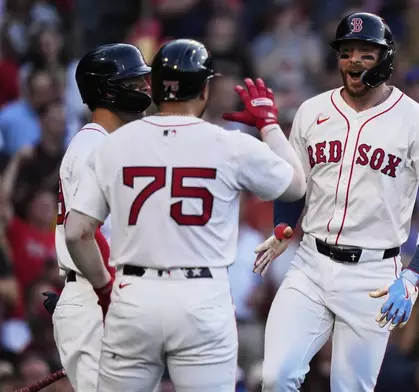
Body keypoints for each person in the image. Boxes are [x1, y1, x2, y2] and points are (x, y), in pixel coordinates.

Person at [237, 12, 419, 391]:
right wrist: (284, 226)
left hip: (373, 276)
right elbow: (295, 184)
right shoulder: (313, 111)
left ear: (386, 59)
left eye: (366, 53)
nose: (354, 61)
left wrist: (412, 277)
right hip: (310, 263)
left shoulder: (418, 122)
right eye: (346, 52)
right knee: (276, 377)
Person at [63, 38, 306, 392]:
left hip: (134, 295)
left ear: (156, 87)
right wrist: (269, 124)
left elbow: (76, 233)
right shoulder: (229, 144)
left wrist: (103, 289)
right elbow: (296, 185)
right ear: (204, 89)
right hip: (201, 296)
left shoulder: (114, 144)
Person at [52, 43, 152, 392]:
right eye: (135, 82)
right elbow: (82, 233)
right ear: (108, 90)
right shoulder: (94, 146)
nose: (146, 89)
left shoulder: (108, 143)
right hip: (98, 297)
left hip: (102, 293)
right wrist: (102, 293)